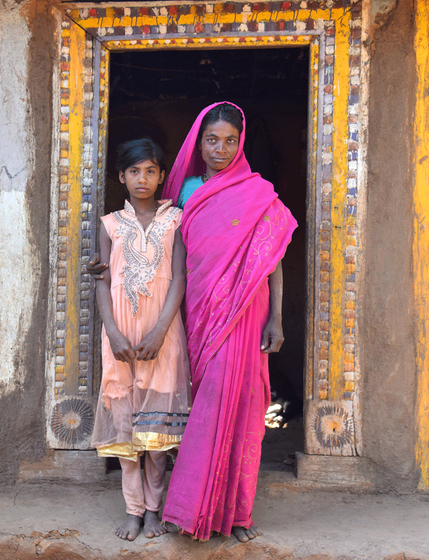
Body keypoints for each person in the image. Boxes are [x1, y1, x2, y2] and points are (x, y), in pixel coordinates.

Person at [159, 102, 297, 542]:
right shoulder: (184, 191)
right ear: (199, 142)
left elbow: (272, 260)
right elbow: (167, 254)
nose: (220, 149)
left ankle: (236, 514)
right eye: (211, 140)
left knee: (243, 408)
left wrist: (275, 317)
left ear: (241, 144)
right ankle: (191, 509)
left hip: (245, 312)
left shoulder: (258, 192)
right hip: (200, 312)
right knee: (206, 403)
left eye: (229, 141)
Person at [90, 138, 190, 542]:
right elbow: (103, 282)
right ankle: (132, 510)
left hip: (163, 337)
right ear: (121, 177)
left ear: (162, 175)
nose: (142, 179)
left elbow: (180, 278)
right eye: (134, 171)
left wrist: (163, 329)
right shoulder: (110, 223)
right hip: (120, 338)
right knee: (127, 432)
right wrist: (112, 332)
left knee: (156, 436)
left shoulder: (177, 220)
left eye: (150, 171)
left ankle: (153, 512)